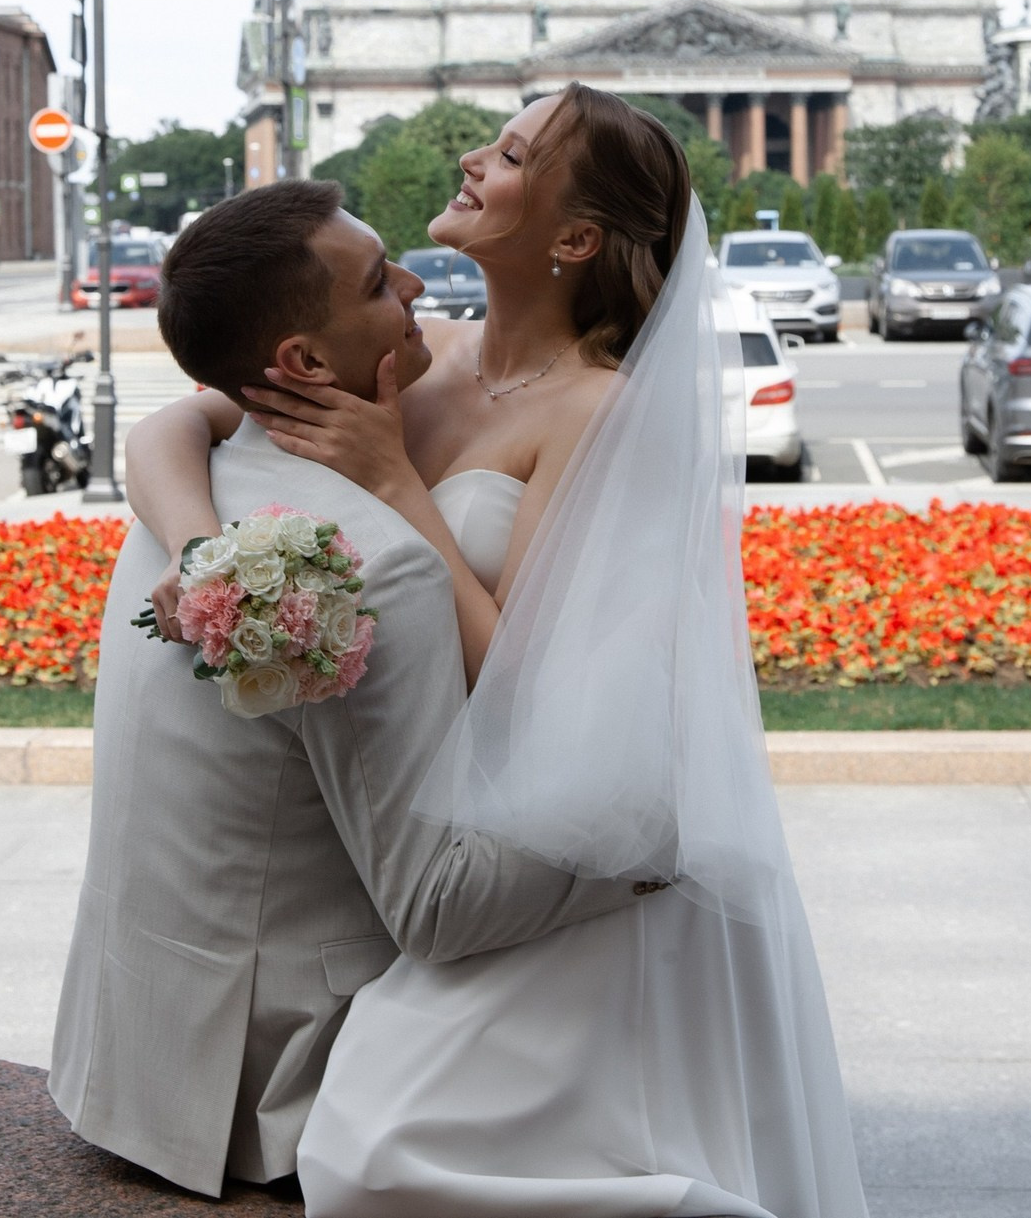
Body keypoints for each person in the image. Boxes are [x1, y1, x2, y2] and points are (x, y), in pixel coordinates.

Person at [129, 84, 868, 1218]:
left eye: (512, 150)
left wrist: (392, 482)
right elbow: (176, 419)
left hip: (538, 833)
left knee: (381, 1156)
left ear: (574, 237)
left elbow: (522, 671)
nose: (474, 156)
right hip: (423, 825)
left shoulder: (595, 408)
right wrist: (197, 550)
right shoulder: (421, 350)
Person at [50, 178, 650, 1199]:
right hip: (275, 1093)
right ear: (302, 362)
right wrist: (645, 842)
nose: (417, 280)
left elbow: (173, 419)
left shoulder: (193, 495)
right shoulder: (379, 564)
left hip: (127, 1059)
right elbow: (436, 907)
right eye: (379, 280)